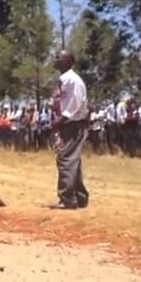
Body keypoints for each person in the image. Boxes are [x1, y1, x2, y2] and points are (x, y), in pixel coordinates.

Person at [49, 50, 89, 210]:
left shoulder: (74, 80)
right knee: (73, 161)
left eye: (58, 56)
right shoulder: (63, 80)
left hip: (73, 124)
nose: (55, 58)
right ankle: (79, 197)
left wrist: (60, 121)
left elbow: (75, 103)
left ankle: (67, 200)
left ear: (68, 61)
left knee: (65, 159)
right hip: (67, 124)